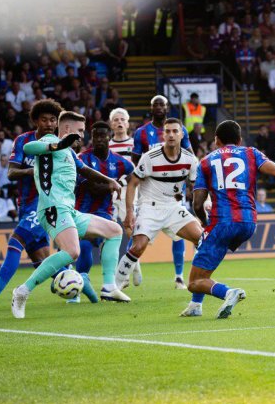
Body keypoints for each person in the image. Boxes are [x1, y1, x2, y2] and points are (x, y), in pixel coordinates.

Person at [181, 120, 275, 318]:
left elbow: (198, 204)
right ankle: (195, 306)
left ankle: (228, 292)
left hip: (223, 222)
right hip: (249, 223)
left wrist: (205, 223)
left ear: (216, 140)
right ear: (239, 139)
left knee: (193, 282)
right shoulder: (251, 153)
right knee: (205, 254)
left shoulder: (206, 162)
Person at [10, 111, 128, 319]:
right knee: (72, 251)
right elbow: (29, 148)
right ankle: (22, 291)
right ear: (66, 129)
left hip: (69, 211)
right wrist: (58, 145)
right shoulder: (50, 141)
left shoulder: (71, 153)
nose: (82, 136)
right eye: (80, 131)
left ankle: (109, 287)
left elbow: (86, 171)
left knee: (114, 230)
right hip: (53, 208)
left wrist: (111, 181)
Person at [0, 100, 62, 311]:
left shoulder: (60, 144)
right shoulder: (23, 141)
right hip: (25, 205)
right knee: (43, 261)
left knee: (16, 241)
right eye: (44, 119)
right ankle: (80, 284)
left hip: (44, 205)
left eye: (53, 120)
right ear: (35, 121)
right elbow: (12, 173)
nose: (49, 124)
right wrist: (35, 171)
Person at [116, 118, 203, 290]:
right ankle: (114, 287)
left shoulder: (190, 160)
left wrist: (205, 204)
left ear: (182, 135)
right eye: (167, 131)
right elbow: (133, 183)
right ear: (163, 134)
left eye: (175, 131)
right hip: (150, 206)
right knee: (138, 247)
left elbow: (196, 187)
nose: (171, 135)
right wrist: (130, 212)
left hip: (172, 207)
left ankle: (196, 280)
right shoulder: (150, 157)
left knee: (202, 239)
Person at [132, 95, 191, 289]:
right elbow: (135, 161)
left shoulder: (179, 130)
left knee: (179, 233)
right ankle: (133, 262)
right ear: (151, 109)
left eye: (162, 104)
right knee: (139, 232)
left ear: (167, 108)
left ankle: (179, 276)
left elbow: (188, 156)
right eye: (155, 104)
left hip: (174, 190)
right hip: (149, 190)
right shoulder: (141, 133)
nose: (158, 107)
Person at [72, 121, 134, 303]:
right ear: (91, 137)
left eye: (102, 135)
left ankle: (107, 285)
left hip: (104, 212)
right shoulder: (82, 158)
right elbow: (93, 188)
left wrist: (124, 188)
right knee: (82, 247)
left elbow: (134, 178)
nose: (99, 139)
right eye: (96, 136)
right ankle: (79, 284)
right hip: (81, 211)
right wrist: (111, 184)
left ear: (109, 137)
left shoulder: (120, 162)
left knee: (110, 237)